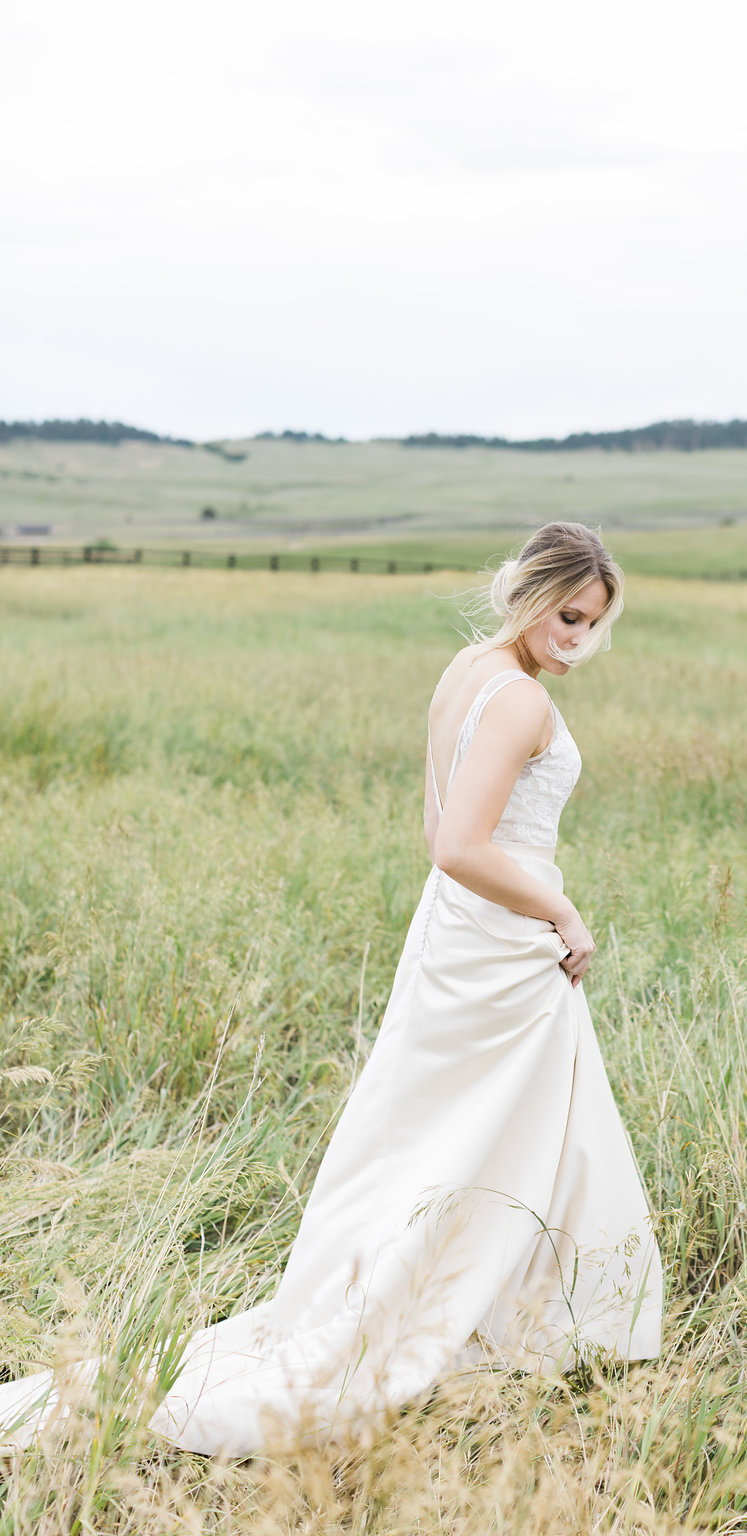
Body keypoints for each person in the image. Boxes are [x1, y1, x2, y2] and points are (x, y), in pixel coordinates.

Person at [0, 521, 662, 1456]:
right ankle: (502, 1314)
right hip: (504, 932)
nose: (577, 640)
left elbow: (437, 825)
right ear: (526, 591)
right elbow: (458, 842)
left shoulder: (465, 669)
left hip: (457, 930)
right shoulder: (517, 701)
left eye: (591, 625)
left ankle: (465, 1295)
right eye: (566, 616)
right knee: (510, 1126)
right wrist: (562, 911)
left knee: (448, 1124)